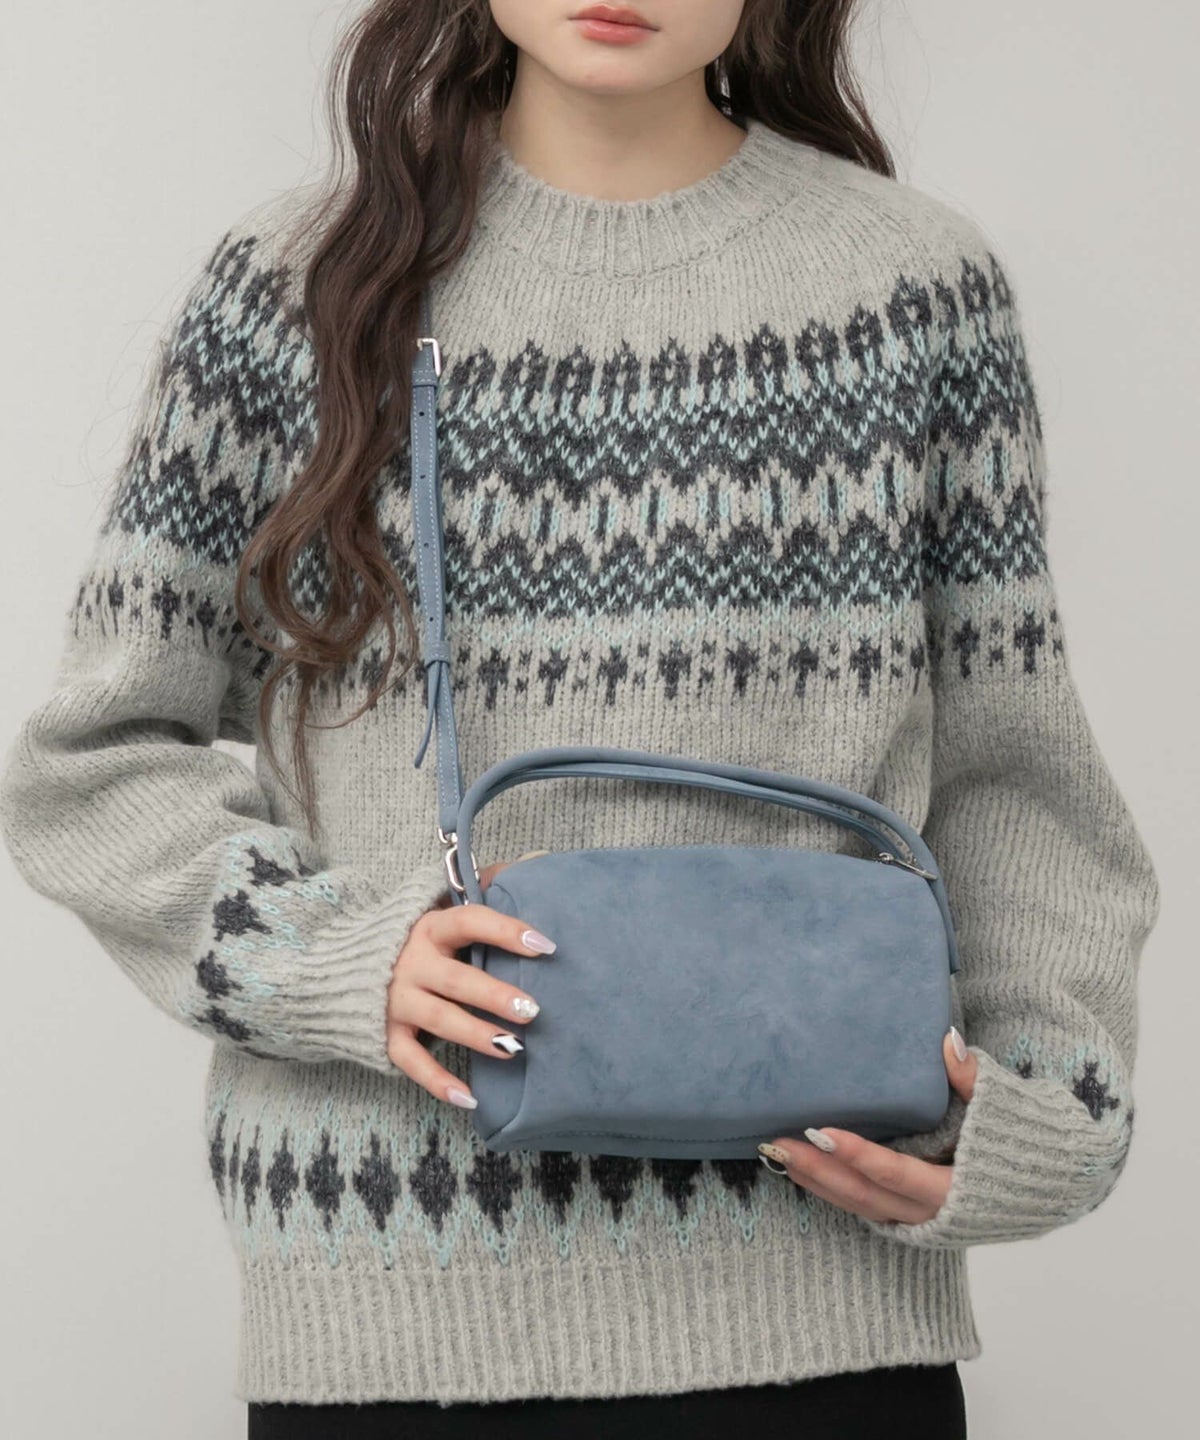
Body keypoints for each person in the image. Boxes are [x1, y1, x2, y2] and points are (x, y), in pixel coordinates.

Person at [0, 2, 1161, 1437]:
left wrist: (1039, 1110)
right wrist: (338, 958)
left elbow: (1014, 778)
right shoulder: (296, 289)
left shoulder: (914, 291)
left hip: (823, 1308)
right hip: (390, 1294)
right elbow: (93, 765)